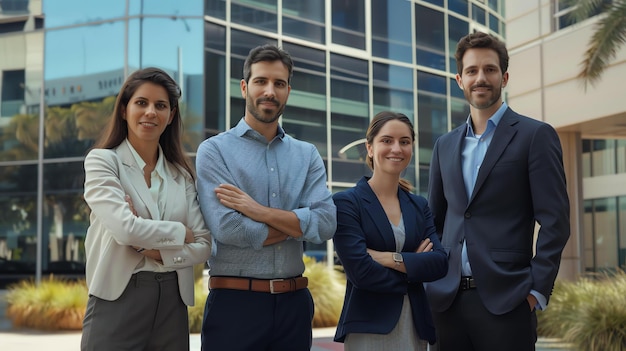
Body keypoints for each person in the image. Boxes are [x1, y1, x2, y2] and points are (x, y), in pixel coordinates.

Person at [425, 31, 570, 351]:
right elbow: (434, 220)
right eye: (472, 71)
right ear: (459, 80)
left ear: (504, 77)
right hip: (446, 304)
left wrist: (535, 292)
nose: (481, 78)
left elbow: (555, 221)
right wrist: (430, 279)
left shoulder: (535, 136)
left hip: (508, 302)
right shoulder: (444, 146)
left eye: (489, 69)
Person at [195, 44, 337, 351]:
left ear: (288, 90)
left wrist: (257, 211)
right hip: (235, 306)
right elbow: (228, 229)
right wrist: (297, 224)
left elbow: (325, 223)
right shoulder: (214, 151)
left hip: (294, 306)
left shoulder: (307, 155)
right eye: (261, 81)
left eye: (279, 83)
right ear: (245, 86)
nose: (269, 91)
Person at [81, 67, 212, 351]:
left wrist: (152, 250)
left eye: (160, 105)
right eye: (141, 103)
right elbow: (126, 229)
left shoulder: (182, 175)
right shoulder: (103, 162)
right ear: (124, 110)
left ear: (171, 116)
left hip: (172, 304)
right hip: (118, 297)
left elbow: (203, 245)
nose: (151, 112)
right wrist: (181, 232)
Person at [332, 111, 448, 350]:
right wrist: (414, 267)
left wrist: (389, 258)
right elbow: (360, 272)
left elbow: (439, 262)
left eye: (404, 142)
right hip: (369, 328)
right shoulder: (347, 203)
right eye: (387, 140)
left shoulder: (419, 205)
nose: (397, 148)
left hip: (415, 327)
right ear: (370, 148)